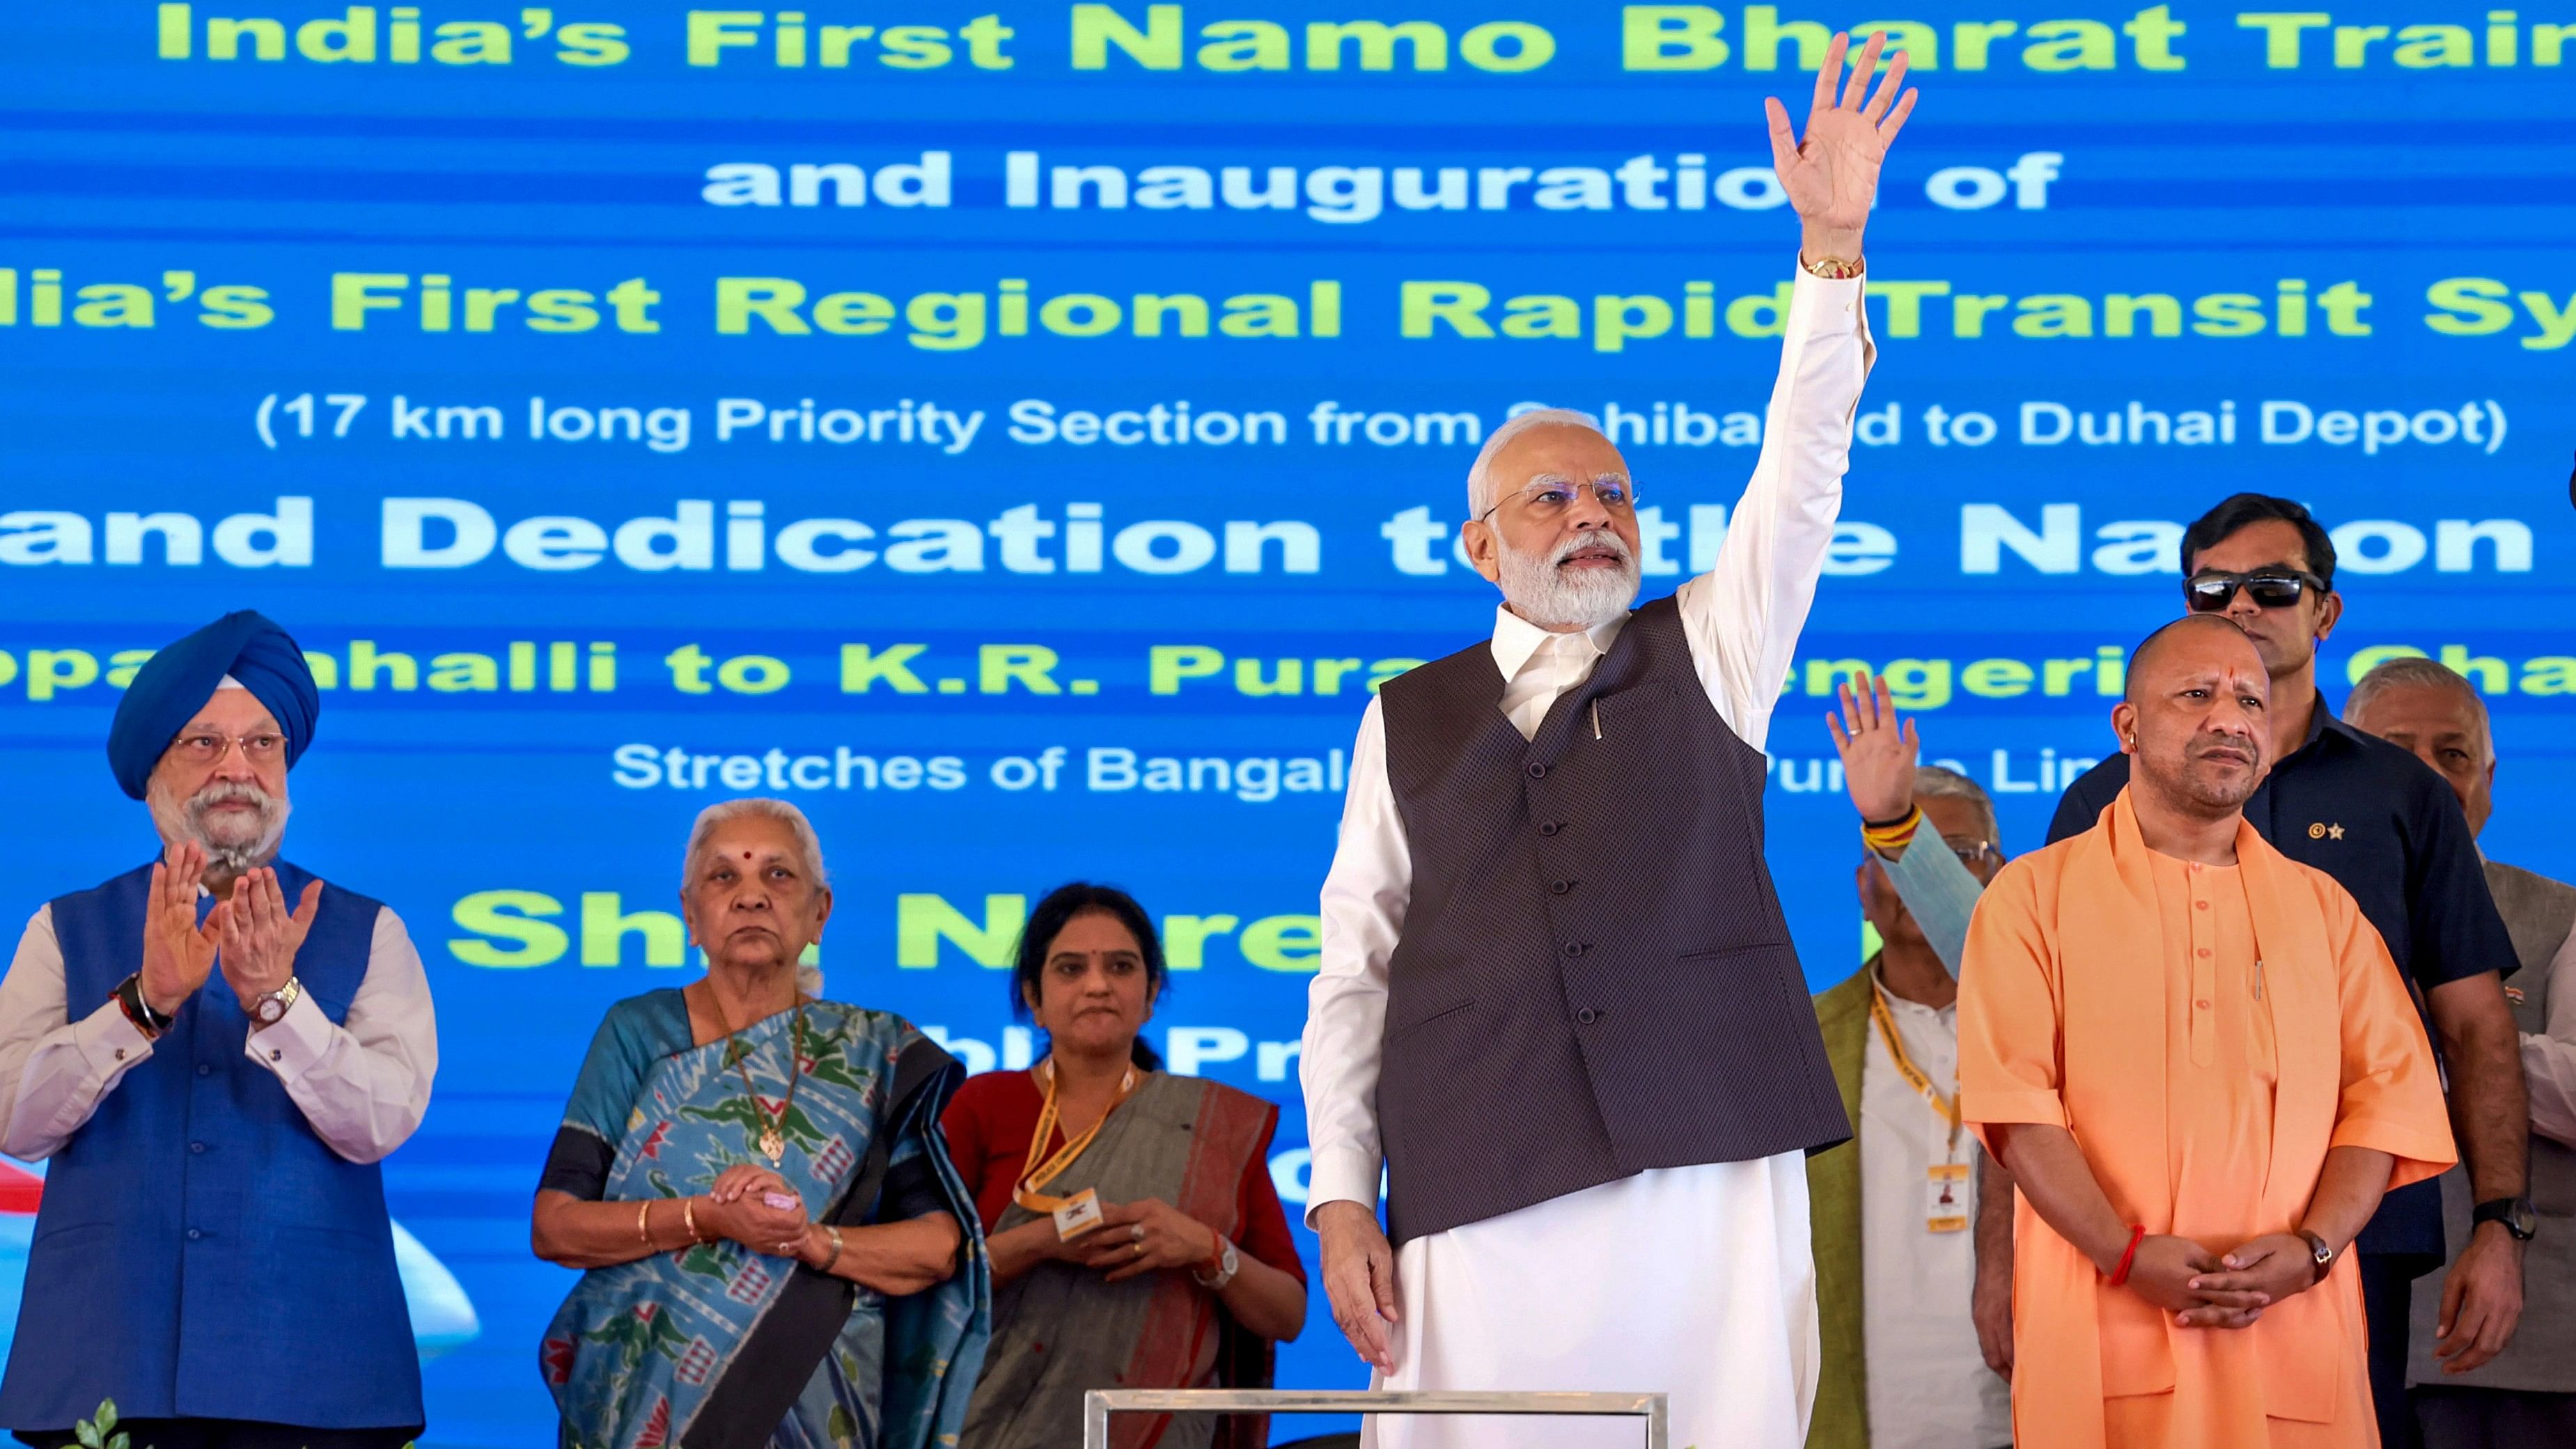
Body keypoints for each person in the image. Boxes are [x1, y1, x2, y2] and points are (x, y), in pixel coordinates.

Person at [1299, 32, 1917, 1448]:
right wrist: (1340, 1192)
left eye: (1611, 490)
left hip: (1699, 1167)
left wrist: (1830, 247)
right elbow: (1356, 967)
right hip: (1477, 1178)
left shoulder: (1713, 639)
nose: (1591, 512)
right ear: (1477, 543)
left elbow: (1803, 455)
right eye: (1549, 496)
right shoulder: (1403, 715)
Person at [2025, 494, 2527, 1447]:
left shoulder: (2402, 794)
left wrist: (2500, 1224)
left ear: (2323, 611)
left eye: (2271, 586)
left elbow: (2471, 1023)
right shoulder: (2097, 800)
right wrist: (2003, 1264)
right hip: (2122, 1241)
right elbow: (2026, 1073)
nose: (2241, 607)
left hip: (2347, 1238)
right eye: (2212, 589)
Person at [1960, 615, 2457, 1448]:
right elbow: (2017, 1112)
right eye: (2196, 694)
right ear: (2128, 726)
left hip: (2295, 1340)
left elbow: (2385, 1108)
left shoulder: (2326, 912)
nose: (2230, 718)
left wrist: (2316, 1249)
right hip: (2103, 1331)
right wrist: (2124, 1255)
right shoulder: (2031, 897)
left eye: (2250, 701)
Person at [0, 611, 437, 1449]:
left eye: (261, 744)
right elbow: (14, 1121)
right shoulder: (66, 927)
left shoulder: (368, 929)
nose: (237, 768)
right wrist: (143, 1005)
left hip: (317, 1371)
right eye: (204, 743)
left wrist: (278, 1000)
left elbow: (379, 1122)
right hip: (104, 1365)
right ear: (156, 768)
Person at [533, 798, 985, 1449]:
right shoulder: (639, 1032)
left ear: (819, 912)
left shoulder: (872, 1052)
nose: (750, 896)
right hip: (650, 1407)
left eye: (778, 875)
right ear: (690, 915)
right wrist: (707, 1218)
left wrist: (808, 1239)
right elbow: (555, 1225)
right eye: (724, 877)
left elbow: (938, 1244)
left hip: (822, 1403)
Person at [942, 883, 1306, 1449]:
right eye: (1069, 968)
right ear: (1034, 999)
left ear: (1151, 993)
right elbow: (925, 1281)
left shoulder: (1209, 1126)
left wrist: (1206, 1249)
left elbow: (1286, 1314)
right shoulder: (982, 1106)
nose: (1097, 984)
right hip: (991, 1427)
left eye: (1120, 966)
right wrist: (1040, 1241)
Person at [2344, 658, 2571, 1444]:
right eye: (2397, 751)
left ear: (2490, 778)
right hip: (2320, 1324)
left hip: (2514, 1352)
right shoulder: (2284, 904)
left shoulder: (2561, 913)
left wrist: (2461, 1034)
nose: (2428, 778)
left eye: (2454, 754)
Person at [1807, 675, 2011, 1449]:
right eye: (1896, 853)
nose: (1919, 875)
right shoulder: (1807, 1037)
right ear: (1864, 886)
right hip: (1861, 1405)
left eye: (1956, 851)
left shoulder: (2059, 1027)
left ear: (1998, 874)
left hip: (2025, 1397)